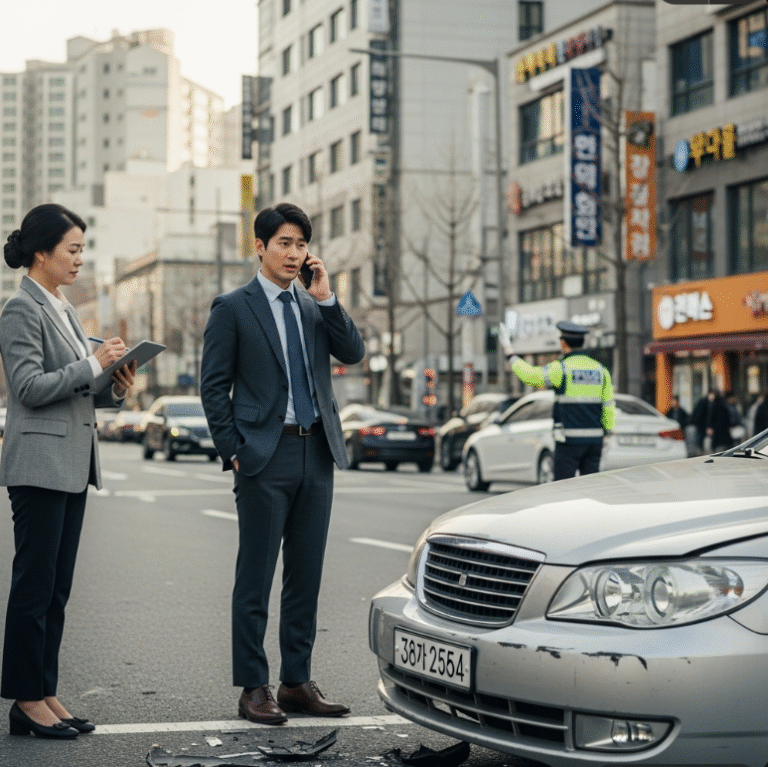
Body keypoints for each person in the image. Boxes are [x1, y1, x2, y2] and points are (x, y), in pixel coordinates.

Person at [200, 202, 365, 725]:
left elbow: (353, 352)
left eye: (301, 244)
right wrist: (234, 450)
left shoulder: (314, 306)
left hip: (317, 452)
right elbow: (212, 387)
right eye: (284, 243)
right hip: (264, 456)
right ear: (261, 247)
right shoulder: (233, 308)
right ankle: (254, 687)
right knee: (255, 577)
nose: (294, 253)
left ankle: (296, 682)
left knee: (305, 576)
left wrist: (329, 298)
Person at [1, 204, 137, 739]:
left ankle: (44, 690)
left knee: (56, 588)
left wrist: (115, 384)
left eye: (82, 249)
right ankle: (24, 699)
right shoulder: (20, 308)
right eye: (72, 249)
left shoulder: (64, 308)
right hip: (38, 465)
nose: (80, 259)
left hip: (73, 462)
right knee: (34, 587)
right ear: (42, 252)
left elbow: (79, 390)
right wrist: (92, 364)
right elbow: (29, 387)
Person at [499, 320, 615, 481]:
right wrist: (608, 432)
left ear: (563, 343)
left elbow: (530, 376)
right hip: (594, 442)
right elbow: (608, 406)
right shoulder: (601, 370)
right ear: (582, 343)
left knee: (562, 489)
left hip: (568, 442)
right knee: (591, 488)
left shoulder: (561, 369)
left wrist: (510, 353)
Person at [691, 388, 733, 454]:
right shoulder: (704, 403)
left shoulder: (718, 404)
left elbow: (719, 418)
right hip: (706, 428)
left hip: (717, 432)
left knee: (717, 448)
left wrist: (711, 427)